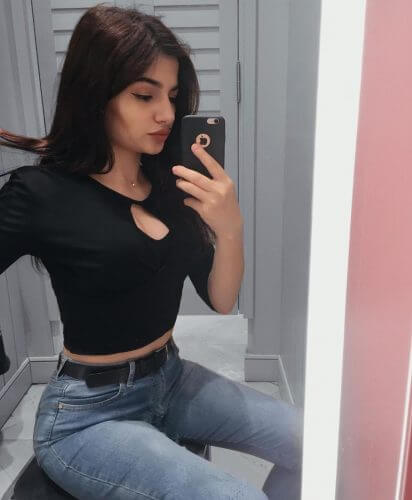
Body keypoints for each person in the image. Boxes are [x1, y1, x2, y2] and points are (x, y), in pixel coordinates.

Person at [0, 4, 303, 499]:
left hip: (172, 379)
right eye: (144, 95)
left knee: (317, 441)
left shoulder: (168, 184)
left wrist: (231, 229)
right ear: (94, 93)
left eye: (173, 96)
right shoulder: (42, 193)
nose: (166, 114)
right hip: (87, 416)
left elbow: (221, 300)